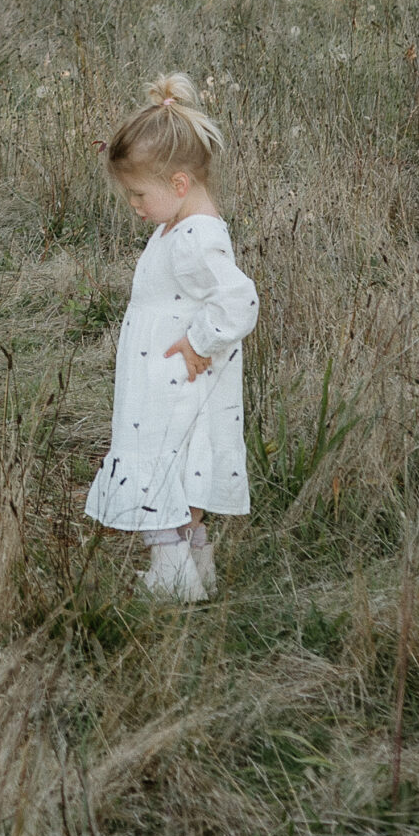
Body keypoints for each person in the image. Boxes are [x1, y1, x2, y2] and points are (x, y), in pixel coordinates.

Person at [84, 73, 260, 601]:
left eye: (139, 194)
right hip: (167, 379)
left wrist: (201, 342)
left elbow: (239, 300)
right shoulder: (181, 226)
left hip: (174, 383)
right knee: (182, 466)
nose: (134, 205)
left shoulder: (195, 238)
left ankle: (172, 577)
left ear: (178, 184)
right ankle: (196, 570)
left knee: (161, 462)